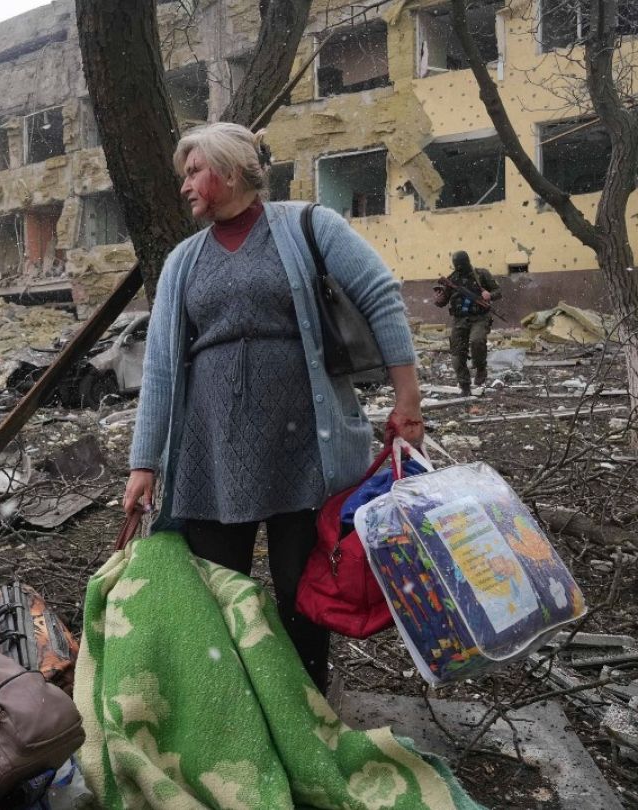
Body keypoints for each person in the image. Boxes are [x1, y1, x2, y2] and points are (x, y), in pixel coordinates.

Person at [122, 122, 424, 693]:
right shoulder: (184, 261)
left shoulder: (308, 225)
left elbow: (381, 295)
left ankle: (306, 707)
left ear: (230, 171)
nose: (184, 185)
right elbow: (161, 366)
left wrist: (408, 399)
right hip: (212, 453)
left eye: (194, 172)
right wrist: (145, 464)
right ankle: (230, 708)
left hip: (304, 446)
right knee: (215, 592)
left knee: (300, 593)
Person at [437, 251, 500, 397]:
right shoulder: (452, 279)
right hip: (460, 320)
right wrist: (439, 298)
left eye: (462, 264)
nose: (460, 267)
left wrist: (490, 295)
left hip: (479, 317)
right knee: (456, 356)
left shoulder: (481, 275)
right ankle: (465, 385)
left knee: (477, 341)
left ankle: (480, 369)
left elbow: (498, 291)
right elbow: (442, 301)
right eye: (457, 265)